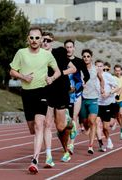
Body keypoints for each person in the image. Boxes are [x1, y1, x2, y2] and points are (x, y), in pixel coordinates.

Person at [9, 27, 61, 174]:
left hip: (42, 91)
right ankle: (36, 155)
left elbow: (57, 71)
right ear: (28, 39)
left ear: (41, 39)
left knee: (40, 125)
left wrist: (52, 78)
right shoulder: (21, 53)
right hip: (26, 93)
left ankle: (35, 160)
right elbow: (12, 70)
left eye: (37, 38)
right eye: (31, 38)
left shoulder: (46, 55)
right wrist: (23, 77)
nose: (34, 41)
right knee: (32, 128)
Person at [42, 32, 76, 167]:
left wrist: (60, 73)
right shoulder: (38, 55)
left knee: (61, 127)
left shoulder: (60, 52)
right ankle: (49, 157)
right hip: (46, 92)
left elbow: (73, 68)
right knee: (47, 124)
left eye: (48, 40)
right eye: (43, 40)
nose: (45, 42)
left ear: (52, 41)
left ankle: (70, 123)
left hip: (61, 92)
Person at [64, 39, 90, 154]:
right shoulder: (61, 60)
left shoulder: (79, 61)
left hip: (77, 92)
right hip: (65, 93)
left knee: (74, 117)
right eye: (67, 47)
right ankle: (68, 138)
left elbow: (87, 75)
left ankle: (71, 144)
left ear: (74, 48)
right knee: (66, 121)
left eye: (70, 47)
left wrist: (83, 82)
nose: (69, 49)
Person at [79, 49, 104, 154]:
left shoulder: (95, 69)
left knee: (92, 121)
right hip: (83, 98)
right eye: (84, 56)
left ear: (91, 57)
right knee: (85, 123)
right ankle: (87, 129)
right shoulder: (79, 69)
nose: (86, 58)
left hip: (93, 98)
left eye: (88, 56)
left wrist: (102, 88)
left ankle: (90, 146)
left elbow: (101, 79)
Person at [95, 60, 119, 151]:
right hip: (97, 103)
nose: (99, 68)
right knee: (96, 123)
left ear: (103, 67)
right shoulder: (92, 76)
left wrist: (109, 93)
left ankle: (108, 139)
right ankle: (101, 144)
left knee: (105, 127)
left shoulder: (107, 76)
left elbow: (117, 87)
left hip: (108, 103)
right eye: (97, 66)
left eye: (101, 66)